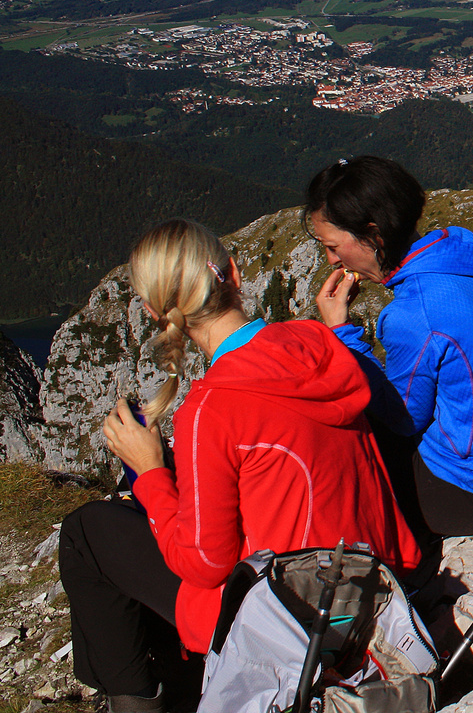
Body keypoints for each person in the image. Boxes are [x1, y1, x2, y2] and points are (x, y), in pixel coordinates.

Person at [58, 219, 420, 713]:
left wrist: (149, 473)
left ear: (151, 310)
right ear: (233, 270)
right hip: (370, 591)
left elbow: (205, 564)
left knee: (88, 531)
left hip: (286, 617)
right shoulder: (319, 343)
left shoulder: (211, 408)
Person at [305, 156, 473, 538]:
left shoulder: (414, 313)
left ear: (373, 236)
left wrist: (340, 333)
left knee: (337, 440)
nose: (331, 259)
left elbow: (403, 420)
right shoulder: (469, 260)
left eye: (334, 246)